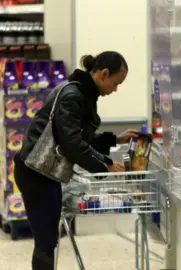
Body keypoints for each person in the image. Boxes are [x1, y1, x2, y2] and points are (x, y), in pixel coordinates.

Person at [14, 51, 139, 270]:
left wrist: (115, 139)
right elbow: (72, 143)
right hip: (36, 172)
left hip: (44, 171)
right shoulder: (74, 96)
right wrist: (105, 164)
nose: (115, 89)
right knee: (46, 239)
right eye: (116, 82)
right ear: (103, 74)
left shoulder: (81, 93)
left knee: (48, 238)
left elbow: (78, 139)